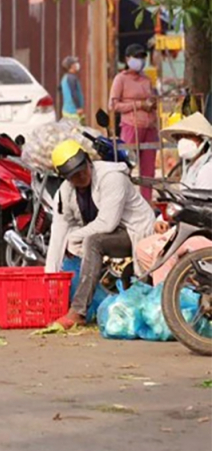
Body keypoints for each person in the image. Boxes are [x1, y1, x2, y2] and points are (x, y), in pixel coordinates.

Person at [46, 139, 155, 329]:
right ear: (66, 178)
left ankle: (78, 311)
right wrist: (49, 279)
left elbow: (107, 222)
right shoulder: (65, 192)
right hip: (111, 234)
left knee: (92, 241)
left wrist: (75, 237)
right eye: (74, 175)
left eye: (82, 169)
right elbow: (58, 235)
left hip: (135, 231)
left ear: (88, 161)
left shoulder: (111, 177)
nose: (81, 176)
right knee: (79, 244)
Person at [136, 113, 212, 284]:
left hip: (204, 232)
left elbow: (198, 209)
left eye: (187, 137)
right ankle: (179, 294)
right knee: (143, 248)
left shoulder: (209, 169)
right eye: (180, 138)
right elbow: (182, 200)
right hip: (189, 228)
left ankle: (163, 301)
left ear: (201, 140)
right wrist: (162, 219)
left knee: (166, 253)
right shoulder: (190, 168)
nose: (183, 141)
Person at [110, 43, 158, 201]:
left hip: (149, 127)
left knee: (148, 170)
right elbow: (113, 105)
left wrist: (152, 103)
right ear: (127, 59)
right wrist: (138, 105)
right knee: (126, 166)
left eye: (142, 57)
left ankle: (147, 202)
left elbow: (152, 100)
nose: (140, 61)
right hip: (131, 126)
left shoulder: (146, 79)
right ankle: (123, 202)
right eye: (136, 57)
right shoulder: (120, 79)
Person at [60, 56, 85, 123]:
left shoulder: (65, 77)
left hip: (67, 110)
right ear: (71, 66)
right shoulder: (71, 78)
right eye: (75, 63)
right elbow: (74, 93)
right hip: (73, 111)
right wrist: (78, 107)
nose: (77, 64)